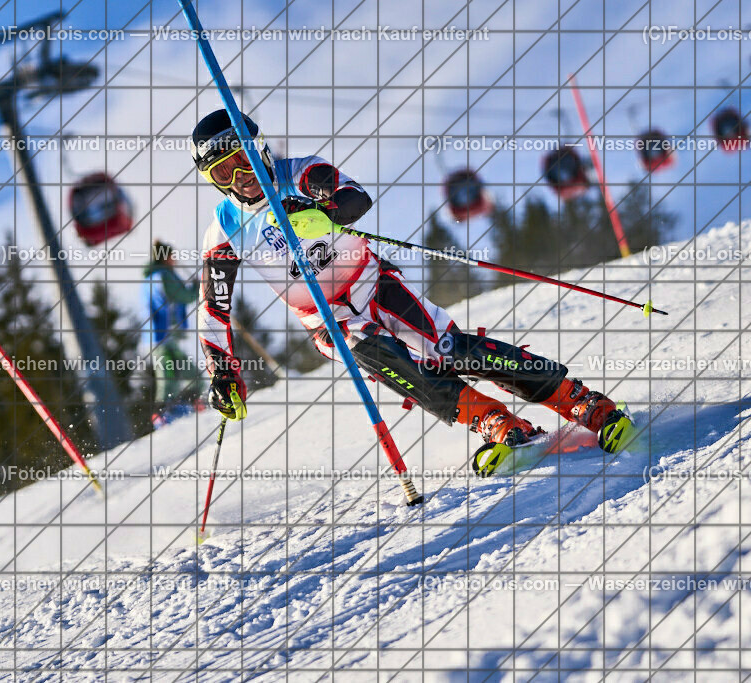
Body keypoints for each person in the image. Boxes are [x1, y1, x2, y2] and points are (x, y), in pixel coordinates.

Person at [190, 109, 631, 474]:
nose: (240, 177)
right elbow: (214, 309)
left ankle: (579, 400)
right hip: (329, 320)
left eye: (244, 160)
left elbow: (354, 196)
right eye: (223, 171)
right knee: (385, 359)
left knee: (448, 348)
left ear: (259, 148)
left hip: (372, 282)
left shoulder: (299, 173)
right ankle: (495, 421)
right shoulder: (225, 229)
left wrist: (322, 212)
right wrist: (223, 373)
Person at [143, 240, 202, 426]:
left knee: (181, 373)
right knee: (169, 376)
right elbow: (182, 296)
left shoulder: (152, 277)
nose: (174, 259)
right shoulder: (164, 276)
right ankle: (163, 414)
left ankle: (189, 404)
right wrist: (197, 287)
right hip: (163, 335)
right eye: (171, 256)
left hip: (159, 335)